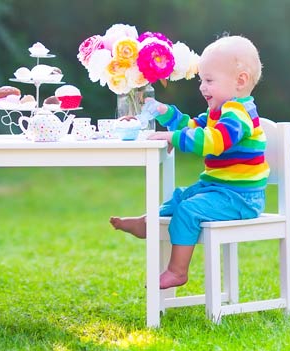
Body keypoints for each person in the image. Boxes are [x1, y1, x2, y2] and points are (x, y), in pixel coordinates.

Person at [110, 35, 269, 289]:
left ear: (240, 81)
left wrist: (174, 136)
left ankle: (177, 271)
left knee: (188, 210)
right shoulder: (219, 112)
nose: (202, 87)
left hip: (240, 197)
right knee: (178, 198)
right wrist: (167, 113)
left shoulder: (239, 114)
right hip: (217, 189)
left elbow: (213, 141)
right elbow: (192, 127)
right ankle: (147, 222)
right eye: (201, 80)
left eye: (209, 80)